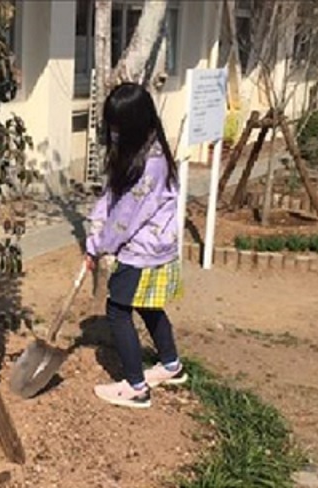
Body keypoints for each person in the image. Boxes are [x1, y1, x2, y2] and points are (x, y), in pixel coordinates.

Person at [85, 82, 187, 409]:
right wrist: (93, 236)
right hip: (154, 246)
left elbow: (126, 217)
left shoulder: (151, 164)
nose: (111, 131)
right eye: (109, 123)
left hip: (142, 249)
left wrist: (101, 244)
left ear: (132, 124)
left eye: (117, 125)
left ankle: (136, 386)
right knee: (148, 303)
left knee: (117, 310)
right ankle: (171, 365)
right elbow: (111, 197)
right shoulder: (141, 148)